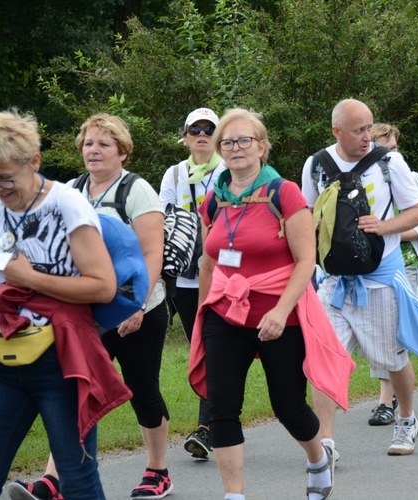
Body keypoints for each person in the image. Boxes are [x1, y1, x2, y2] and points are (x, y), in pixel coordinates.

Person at [188, 108, 353, 500]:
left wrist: (280, 311)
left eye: (245, 140)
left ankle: (317, 460)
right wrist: (202, 312)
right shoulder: (214, 198)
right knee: (220, 408)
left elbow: (305, 260)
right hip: (225, 314)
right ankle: (234, 494)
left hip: (280, 316)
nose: (235, 148)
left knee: (288, 407)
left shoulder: (284, 193)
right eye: (227, 142)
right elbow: (208, 262)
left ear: (261, 146)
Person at [18, 113, 172, 499]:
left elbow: (153, 252)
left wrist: (135, 305)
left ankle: (158, 470)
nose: (94, 150)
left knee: (141, 388)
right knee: (72, 389)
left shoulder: (137, 190)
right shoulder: (70, 190)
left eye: (104, 143)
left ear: (122, 151)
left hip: (137, 311)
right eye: (88, 143)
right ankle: (55, 479)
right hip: (84, 313)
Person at [302, 98, 418, 458]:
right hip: (334, 283)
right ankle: (325, 444)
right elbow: (306, 215)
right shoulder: (316, 165)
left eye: (370, 127)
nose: (368, 136)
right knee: (324, 363)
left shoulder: (388, 162)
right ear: (337, 131)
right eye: (358, 130)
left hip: (380, 279)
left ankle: (407, 420)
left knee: (391, 360)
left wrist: (384, 227)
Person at [0, 109, 130, 500]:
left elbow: (104, 287)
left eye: (7, 177)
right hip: (7, 359)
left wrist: (30, 279)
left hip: (61, 361)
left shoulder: (67, 204)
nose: (1, 188)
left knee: (77, 479)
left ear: (34, 161)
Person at [159, 107, 227, 459]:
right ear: (185, 136)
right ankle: (221, 418)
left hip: (224, 275)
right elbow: (164, 221)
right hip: (186, 280)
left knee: (215, 348)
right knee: (202, 347)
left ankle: (207, 427)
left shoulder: (229, 170)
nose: (201, 134)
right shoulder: (173, 173)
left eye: (208, 128)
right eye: (194, 129)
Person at [366, 123, 418, 426]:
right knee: (376, 329)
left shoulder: (412, 178)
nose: (392, 155)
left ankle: (386, 401)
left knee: (392, 326)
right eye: (385, 149)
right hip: (369, 265)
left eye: (395, 148)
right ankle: (393, 393)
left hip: (405, 262)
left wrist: (393, 232)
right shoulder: (359, 179)